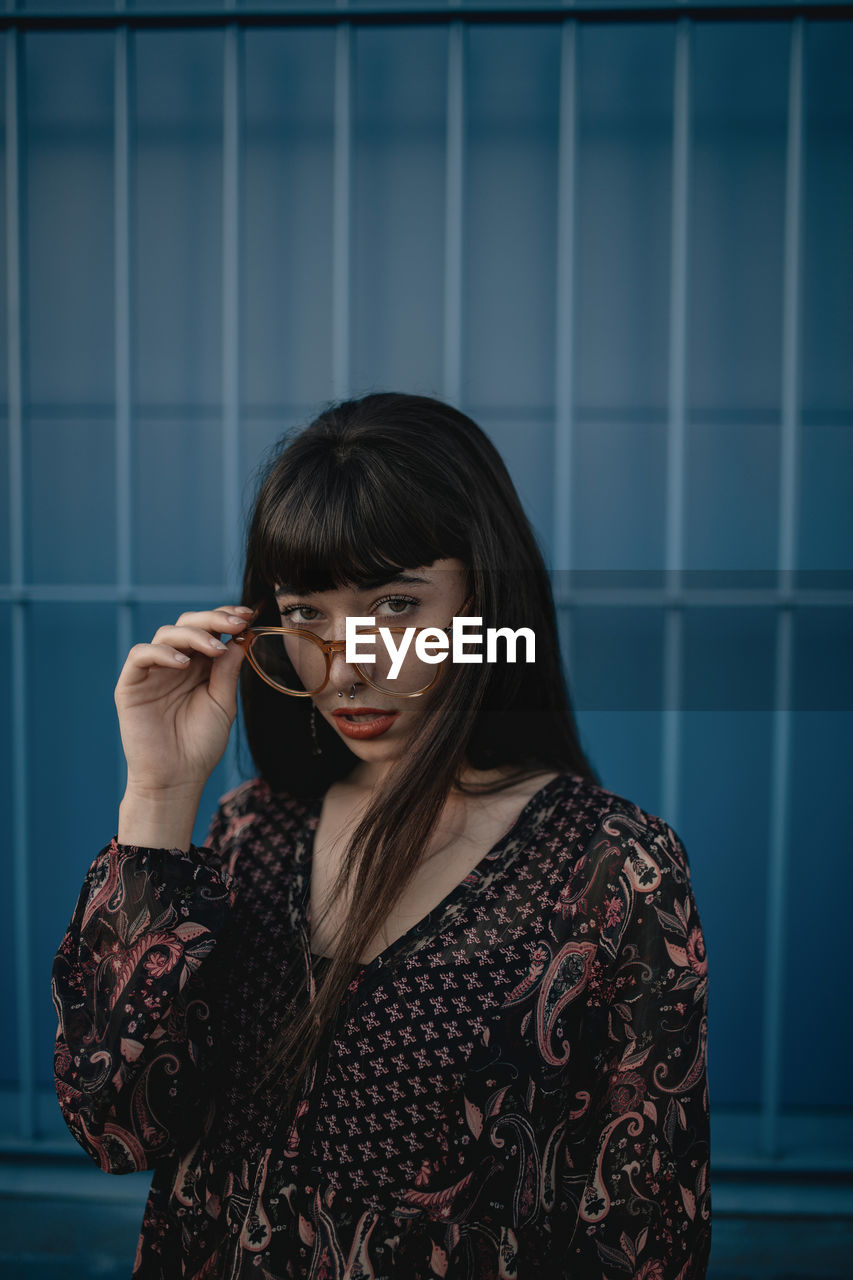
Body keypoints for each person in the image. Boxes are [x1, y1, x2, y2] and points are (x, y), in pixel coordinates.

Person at [52, 392, 711, 1280]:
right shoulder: (253, 829)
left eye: (395, 605)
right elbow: (115, 1123)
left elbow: (644, 1237)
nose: (349, 662)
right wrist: (160, 793)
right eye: (308, 613)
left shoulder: (610, 870)